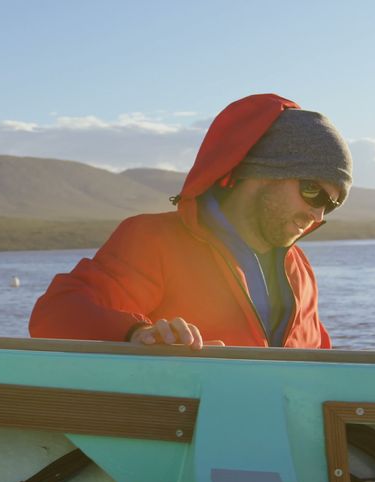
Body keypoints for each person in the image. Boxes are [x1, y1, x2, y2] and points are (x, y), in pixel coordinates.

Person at [28, 93, 351, 350]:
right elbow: (55, 314)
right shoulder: (155, 241)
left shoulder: (300, 270)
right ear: (261, 174)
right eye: (313, 192)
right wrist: (137, 334)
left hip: (281, 431)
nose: (318, 215)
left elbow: (319, 363)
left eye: (332, 204)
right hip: (187, 429)